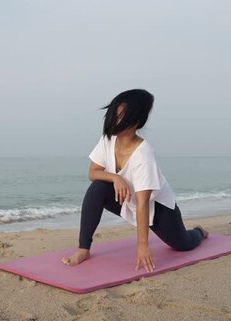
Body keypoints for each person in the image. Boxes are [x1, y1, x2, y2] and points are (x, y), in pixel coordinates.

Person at [61, 89, 209, 272]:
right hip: (128, 199)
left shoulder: (143, 154)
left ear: (136, 121)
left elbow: (143, 203)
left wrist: (143, 245)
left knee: (183, 244)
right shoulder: (108, 140)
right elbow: (93, 172)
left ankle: (199, 232)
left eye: (122, 116)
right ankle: (83, 249)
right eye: (115, 115)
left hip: (159, 209)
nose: (115, 120)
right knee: (97, 188)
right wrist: (115, 177)